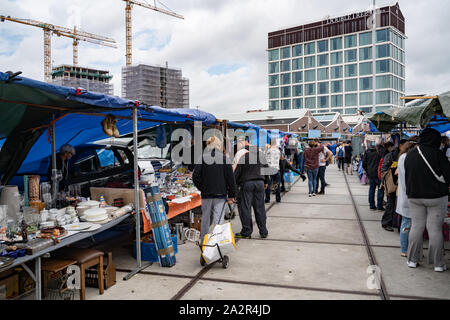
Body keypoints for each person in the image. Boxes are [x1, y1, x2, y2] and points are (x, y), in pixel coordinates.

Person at [404, 128, 450, 272]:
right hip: (436, 197)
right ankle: (438, 264)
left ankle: (412, 260)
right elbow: (448, 176)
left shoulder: (409, 155)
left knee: (416, 227)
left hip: (415, 197)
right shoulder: (439, 155)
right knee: (434, 229)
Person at [192, 136, 237, 250]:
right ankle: (216, 244)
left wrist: (202, 188)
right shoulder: (225, 159)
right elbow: (231, 179)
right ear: (219, 145)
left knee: (206, 218)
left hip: (206, 194)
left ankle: (204, 243)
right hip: (220, 194)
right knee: (218, 219)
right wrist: (232, 195)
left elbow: (195, 176)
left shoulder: (203, 158)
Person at [234, 144, 270, 239]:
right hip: (260, 183)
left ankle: (246, 232)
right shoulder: (262, 156)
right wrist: (266, 182)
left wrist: (236, 186)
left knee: (246, 208)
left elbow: (236, 174)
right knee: (260, 208)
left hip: (247, 184)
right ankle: (263, 231)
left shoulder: (244, 157)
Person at [396, 137, 418, 257]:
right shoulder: (407, 158)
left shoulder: (402, 157)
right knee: (407, 223)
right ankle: (405, 248)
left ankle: (406, 248)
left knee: (407, 223)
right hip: (408, 195)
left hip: (405, 194)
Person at [380, 140, 404, 232]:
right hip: (393, 183)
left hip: (401, 184)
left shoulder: (402, 155)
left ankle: (395, 223)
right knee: (391, 202)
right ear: (401, 145)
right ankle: (386, 222)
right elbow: (384, 169)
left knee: (397, 204)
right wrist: (384, 182)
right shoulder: (392, 155)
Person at [362, 142, 386, 211]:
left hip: (370, 173)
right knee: (380, 189)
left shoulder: (367, 151)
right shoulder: (381, 151)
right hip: (379, 174)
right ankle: (379, 206)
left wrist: (367, 171)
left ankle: (372, 205)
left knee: (371, 189)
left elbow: (364, 163)